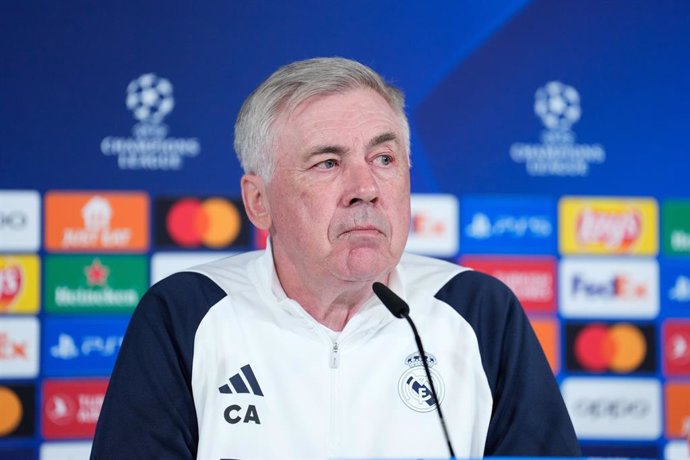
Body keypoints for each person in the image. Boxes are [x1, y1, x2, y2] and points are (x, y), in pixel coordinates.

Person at [91, 57, 580, 459]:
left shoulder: (477, 310)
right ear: (259, 201)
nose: (364, 188)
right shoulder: (185, 314)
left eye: (383, 160)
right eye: (327, 163)